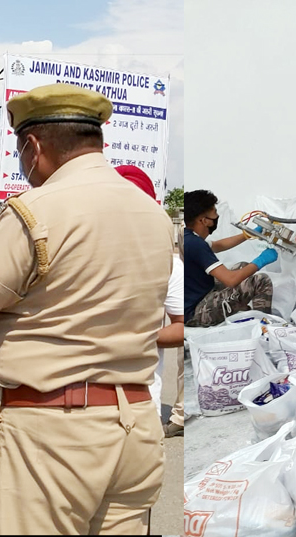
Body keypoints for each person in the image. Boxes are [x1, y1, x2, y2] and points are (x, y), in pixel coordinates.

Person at [0, 83, 172, 535]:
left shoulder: (36, 209)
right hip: (135, 424)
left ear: (33, 145)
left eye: (22, 155)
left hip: (53, 433)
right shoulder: (152, 213)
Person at [117, 165, 186, 437]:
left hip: (140, 403)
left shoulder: (169, 267)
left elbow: (181, 326)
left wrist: (139, 338)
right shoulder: (76, 257)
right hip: (78, 403)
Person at [183, 189, 277, 327]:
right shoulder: (195, 244)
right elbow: (231, 280)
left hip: (197, 296)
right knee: (260, 281)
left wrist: (247, 235)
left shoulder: (189, 237)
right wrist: (261, 260)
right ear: (204, 221)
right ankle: (263, 329)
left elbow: (218, 245)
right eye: (214, 213)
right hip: (196, 312)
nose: (217, 216)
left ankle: (242, 311)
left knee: (243, 267)